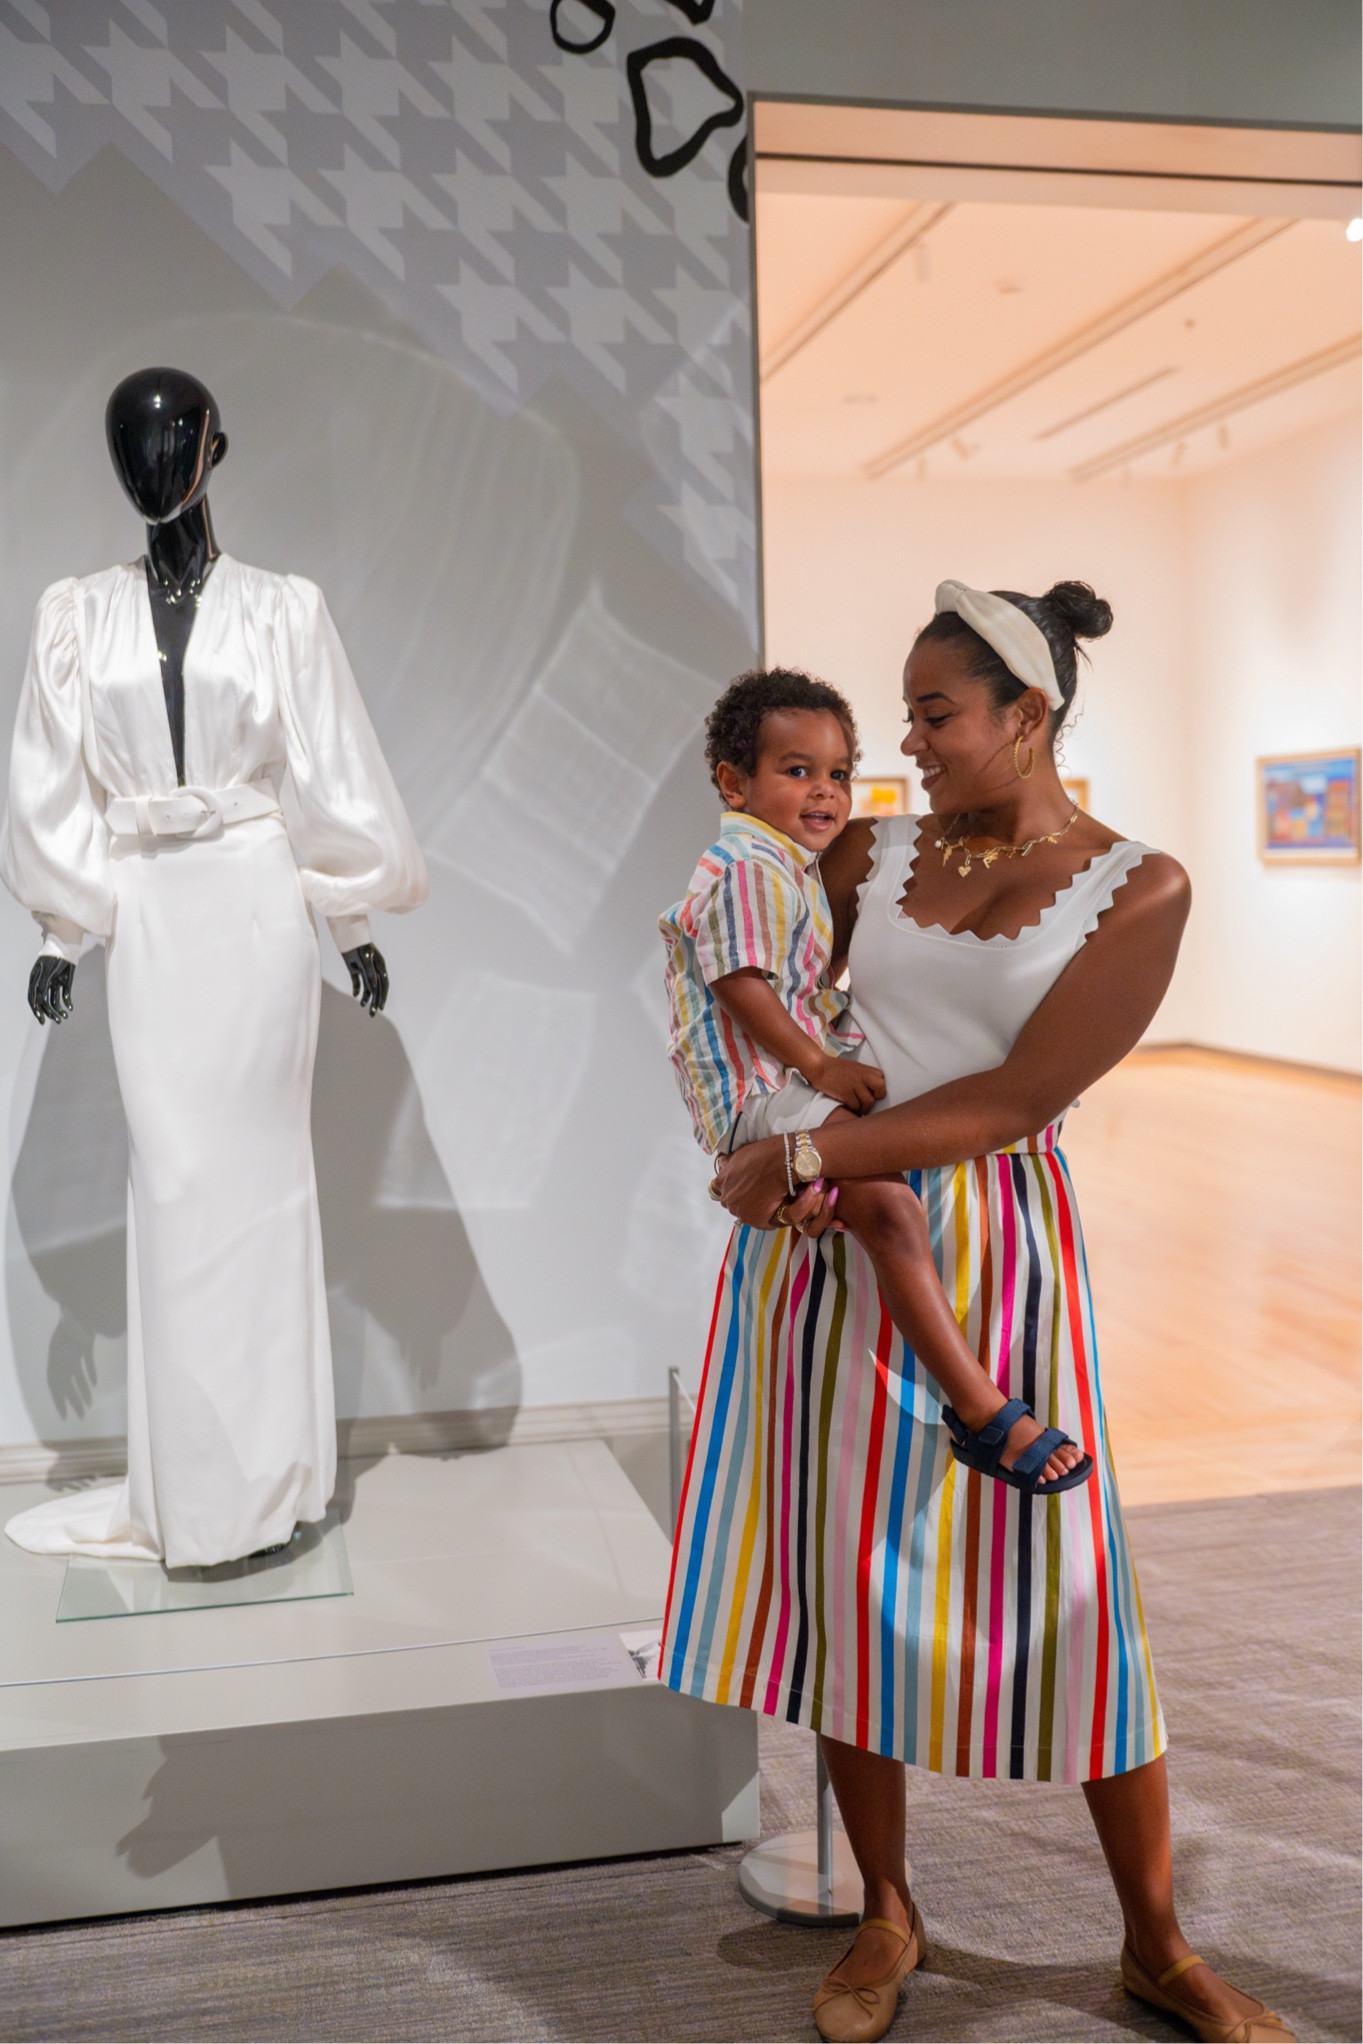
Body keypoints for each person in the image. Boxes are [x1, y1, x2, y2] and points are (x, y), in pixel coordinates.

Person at [661, 581, 1292, 2044]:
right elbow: (764, 1007)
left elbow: (1017, 1095)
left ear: (1027, 714)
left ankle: (1154, 1942)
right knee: (847, 1576)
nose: (906, 741)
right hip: (825, 1251)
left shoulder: (1139, 885)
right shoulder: (864, 849)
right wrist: (762, 1148)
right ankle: (886, 1909)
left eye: (932, 713)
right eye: (904, 714)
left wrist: (813, 1149)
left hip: (990, 1246)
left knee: (1074, 1598)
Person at [0, 368, 426, 1570]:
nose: (151, 460)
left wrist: (351, 925)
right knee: (177, 1185)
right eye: (129, 441)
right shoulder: (74, 613)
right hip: (148, 911)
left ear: (216, 447)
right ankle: (192, 1490)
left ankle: (265, 1485)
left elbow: (329, 769)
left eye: (174, 435)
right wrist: (58, 931)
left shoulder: (285, 609)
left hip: (254, 904)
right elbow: (49, 777)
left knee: (260, 1188)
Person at [661, 668, 1089, 1492]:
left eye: (837, 774)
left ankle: (975, 1405)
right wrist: (819, 1066)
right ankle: (980, 1409)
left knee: (883, 1210)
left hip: (802, 1098)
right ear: (732, 781)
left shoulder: (788, 862)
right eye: (797, 772)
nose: (825, 792)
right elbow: (740, 979)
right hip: (768, 1093)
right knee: (890, 1209)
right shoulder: (752, 866)